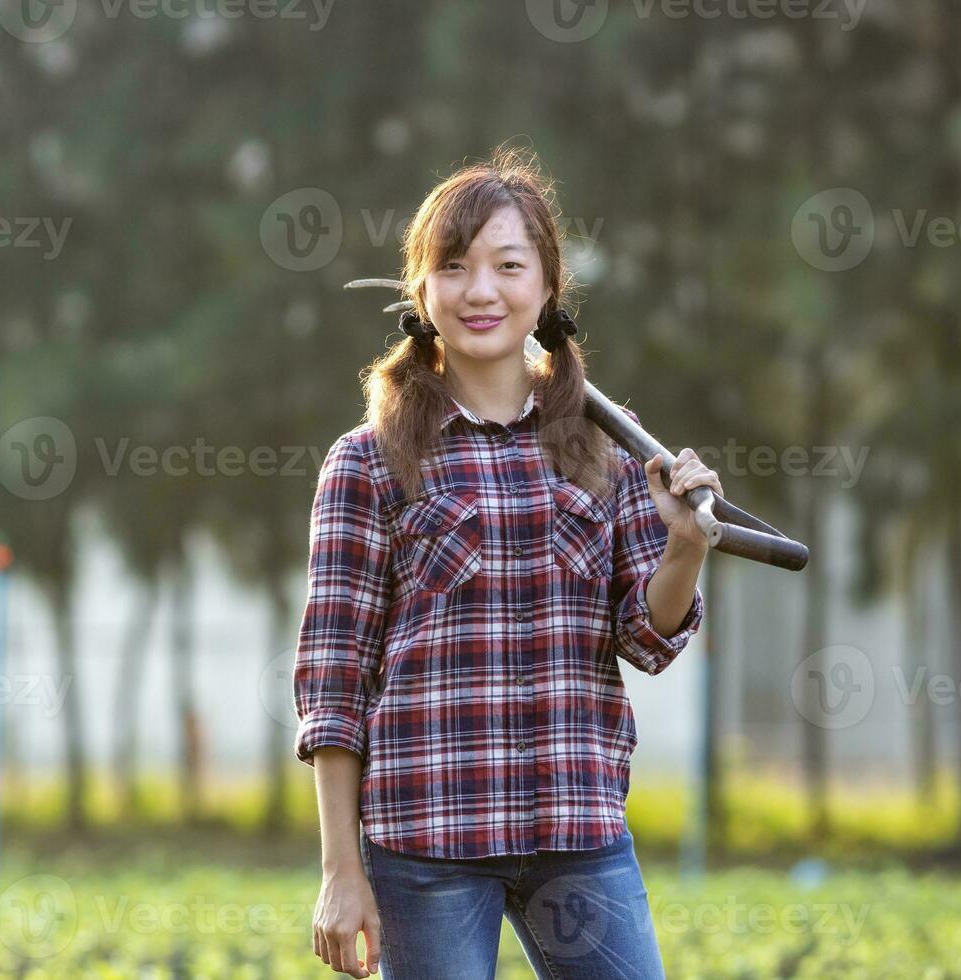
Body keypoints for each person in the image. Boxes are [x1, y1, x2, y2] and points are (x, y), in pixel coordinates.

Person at [294, 145, 720, 979]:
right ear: (421, 292)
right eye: (452, 268)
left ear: (547, 286)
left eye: (507, 265)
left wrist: (686, 544)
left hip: (579, 830)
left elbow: (648, 635)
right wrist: (341, 871)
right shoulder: (370, 461)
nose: (480, 291)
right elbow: (334, 680)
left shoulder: (607, 444)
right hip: (427, 842)